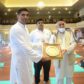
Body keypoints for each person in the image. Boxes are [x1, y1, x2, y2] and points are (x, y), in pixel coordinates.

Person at [9, 8, 44, 84]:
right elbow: (24, 47)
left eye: (27, 15)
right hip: (20, 60)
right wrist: (40, 57)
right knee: (22, 81)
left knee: (27, 80)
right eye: (23, 15)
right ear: (17, 16)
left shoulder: (25, 28)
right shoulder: (16, 28)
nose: (25, 17)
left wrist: (41, 45)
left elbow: (28, 44)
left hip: (26, 60)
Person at [30, 18, 51, 84]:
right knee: (37, 71)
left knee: (47, 70)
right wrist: (39, 44)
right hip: (37, 55)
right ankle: (37, 81)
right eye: (39, 23)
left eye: (42, 22)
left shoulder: (48, 32)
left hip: (47, 55)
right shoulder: (33, 33)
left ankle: (46, 80)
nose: (40, 24)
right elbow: (29, 43)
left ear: (43, 24)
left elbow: (51, 41)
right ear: (36, 24)